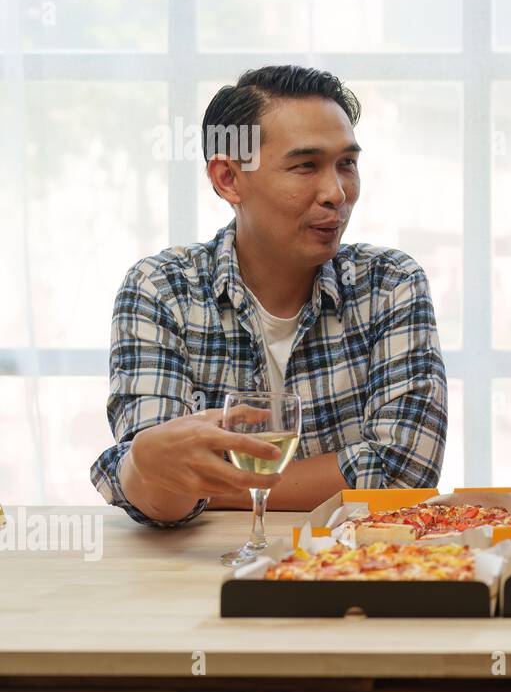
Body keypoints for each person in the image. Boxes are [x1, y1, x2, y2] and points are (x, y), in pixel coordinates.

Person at [91, 65, 448, 526]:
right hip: (202, 573)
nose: (336, 193)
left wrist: (212, 485)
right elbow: (163, 491)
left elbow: (404, 476)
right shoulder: (161, 289)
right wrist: (151, 468)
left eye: (347, 164)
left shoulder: (391, 283)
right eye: (305, 166)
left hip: (351, 571)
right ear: (228, 178)